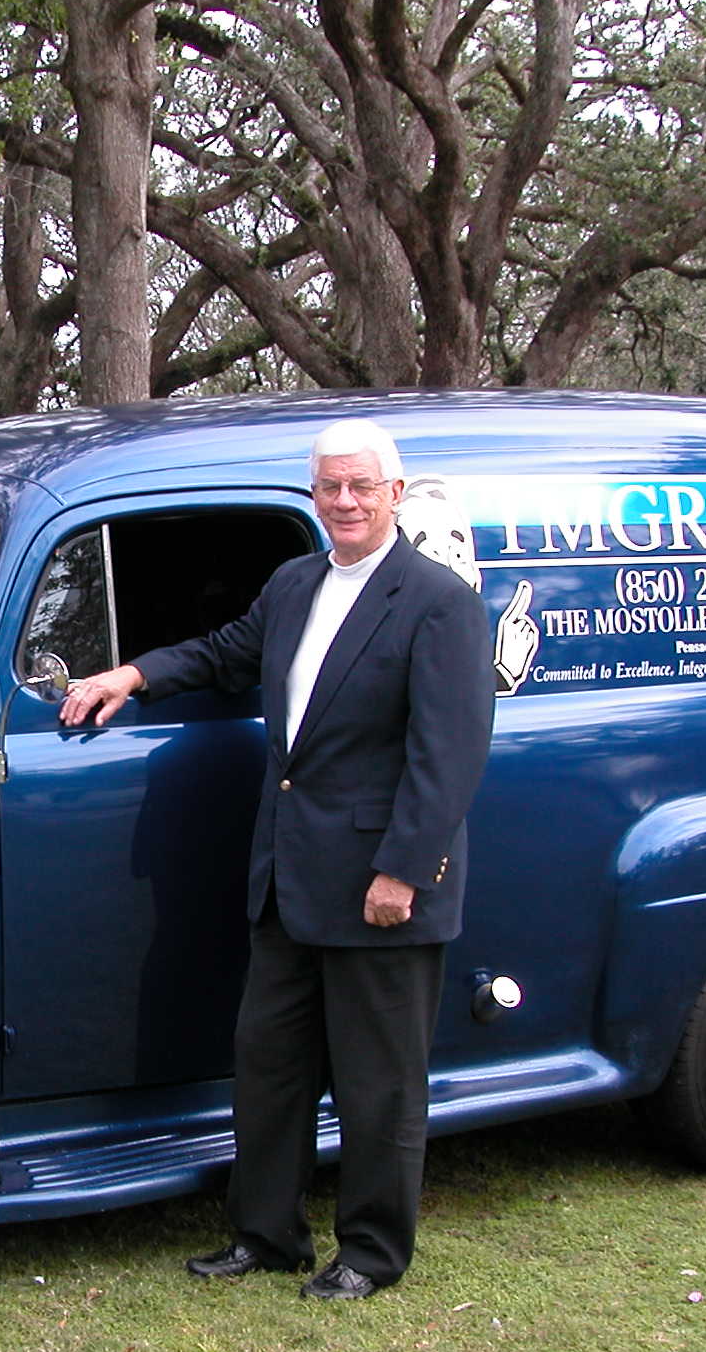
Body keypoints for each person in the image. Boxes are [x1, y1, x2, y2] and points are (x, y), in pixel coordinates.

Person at [58, 418, 495, 1302]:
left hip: (379, 883)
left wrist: (403, 872)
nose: (344, 502)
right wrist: (130, 676)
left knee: (378, 1089)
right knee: (271, 1070)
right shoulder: (297, 582)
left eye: (361, 487)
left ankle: (370, 1253)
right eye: (330, 486)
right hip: (290, 880)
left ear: (395, 496)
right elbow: (225, 653)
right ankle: (267, 1236)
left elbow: (448, 756)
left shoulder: (439, 603)